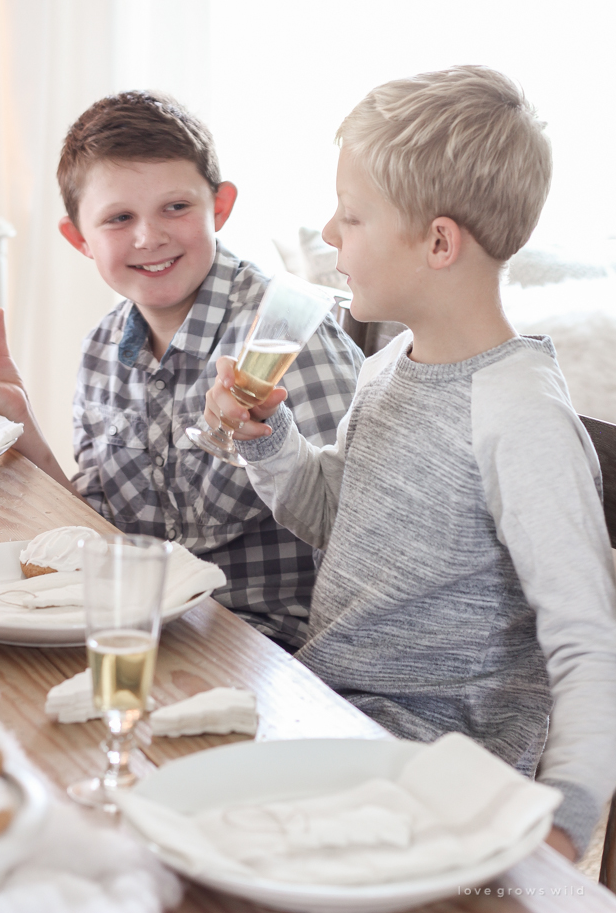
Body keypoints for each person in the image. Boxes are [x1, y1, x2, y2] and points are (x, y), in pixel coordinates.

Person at [203, 66, 616, 859]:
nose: (329, 234)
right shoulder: (390, 365)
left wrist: (563, 824)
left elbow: (588, 639)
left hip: (435, 773)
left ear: (437, 241)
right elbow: (334, 517)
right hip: (334, 717)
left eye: (351, 215)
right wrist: (266, 436)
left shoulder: (519, 413)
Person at [0, 91, 362, 648]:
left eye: (175, 207)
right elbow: (99, 538)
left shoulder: (286, 341)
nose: (149, 237)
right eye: (119, 218)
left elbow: (357, 537)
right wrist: (15, 414)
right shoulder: (102, 351)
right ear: (79, 238)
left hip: (264, 647)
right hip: (136, 629)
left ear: (219, 207)